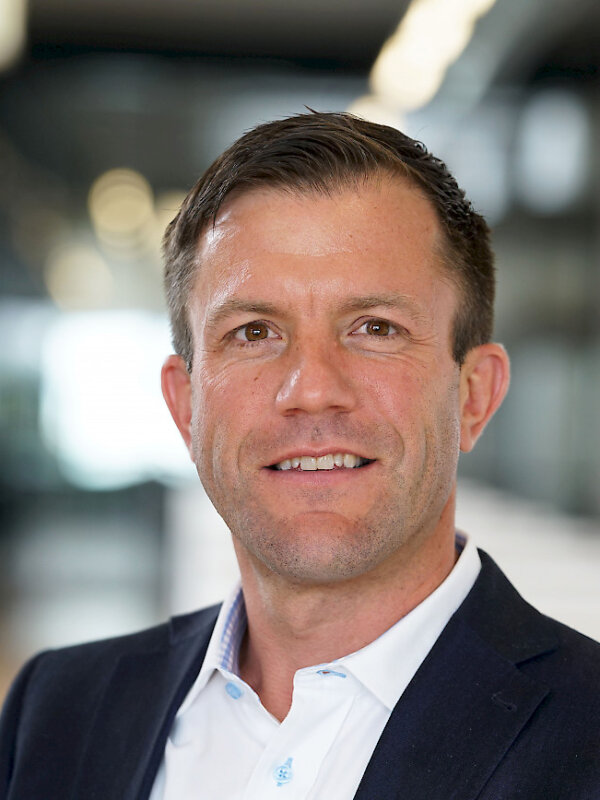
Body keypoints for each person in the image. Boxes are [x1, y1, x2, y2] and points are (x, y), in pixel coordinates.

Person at [1, 111, 598, 799]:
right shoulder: (55, 711)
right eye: (255, 332)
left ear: (474, 395)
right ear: (186, 406)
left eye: (375, 328)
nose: (311, 391)